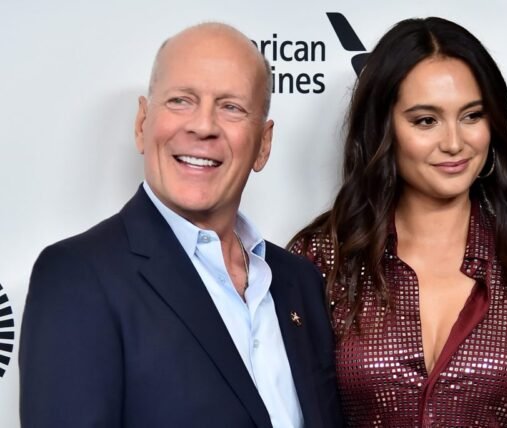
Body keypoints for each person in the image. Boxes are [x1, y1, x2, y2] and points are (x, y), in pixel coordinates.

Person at [290, 17, 507, 427]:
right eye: (425, 120)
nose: (453, 143)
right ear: (383, 128)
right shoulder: (323, 258)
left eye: (471, 116)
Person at [20, 23, 342, 428]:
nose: (203, 126)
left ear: (263, 144)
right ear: (142, 123)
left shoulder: (300, 282)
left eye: (231, 107)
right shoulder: (77, 277)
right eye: (180, 101)